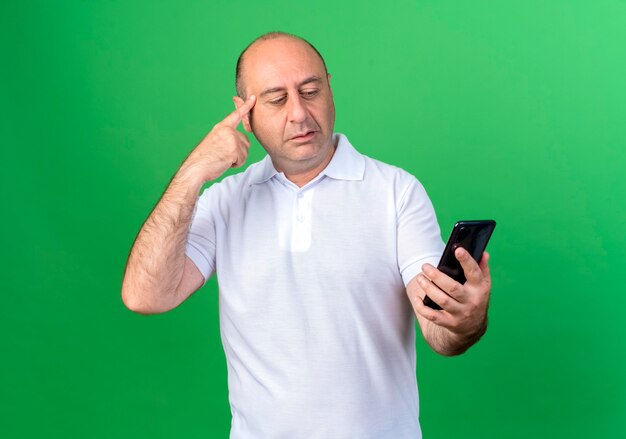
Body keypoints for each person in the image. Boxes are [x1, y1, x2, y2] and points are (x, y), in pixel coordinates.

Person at [122, 32, 492, 439]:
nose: (299, 113)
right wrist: (192, 173)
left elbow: (439, 333)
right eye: (277, 99)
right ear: (244, 113)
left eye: (311, 91)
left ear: (330, 90)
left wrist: (464, 319)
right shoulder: (225, 201)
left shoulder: (396, 192)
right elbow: (146, 296)